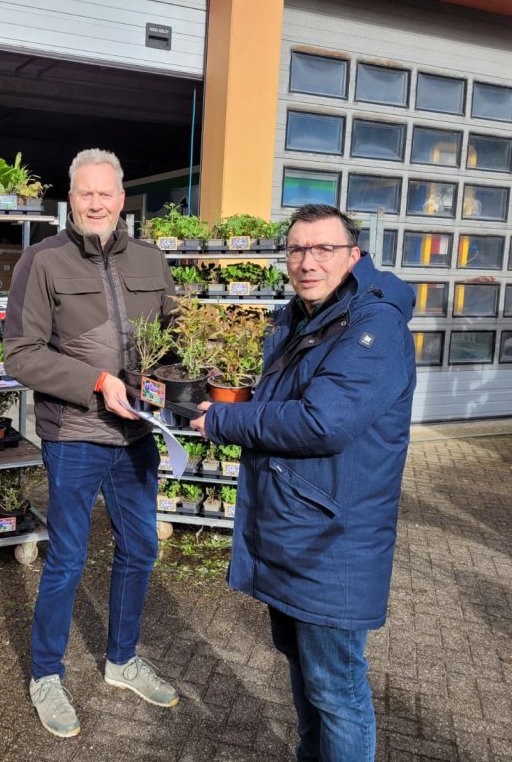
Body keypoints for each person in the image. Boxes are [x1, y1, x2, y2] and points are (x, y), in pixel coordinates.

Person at [190, 203, 415, 761]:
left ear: (353, 256)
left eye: (323, 250)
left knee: (337, 690)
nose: (307, 261)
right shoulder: (301, 316)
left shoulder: (373, 327)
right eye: (296, 250)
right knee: (306, 674)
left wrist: (223, 419)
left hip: (333, 539)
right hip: (297, 528)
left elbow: (323, 422)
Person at [3, 148, 180, 738]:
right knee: (70, 559)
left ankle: (122, 660)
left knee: (140, 549)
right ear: (71, 198)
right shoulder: (42, 261)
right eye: (85, 193)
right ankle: (46, 674)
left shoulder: (153, 260)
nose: (96, 202)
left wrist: (191, 389)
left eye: (105, 192)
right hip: (75, 432)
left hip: (138, 434)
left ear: (121, 197)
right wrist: (96, 383)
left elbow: (175, 346)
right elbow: (21, 354)